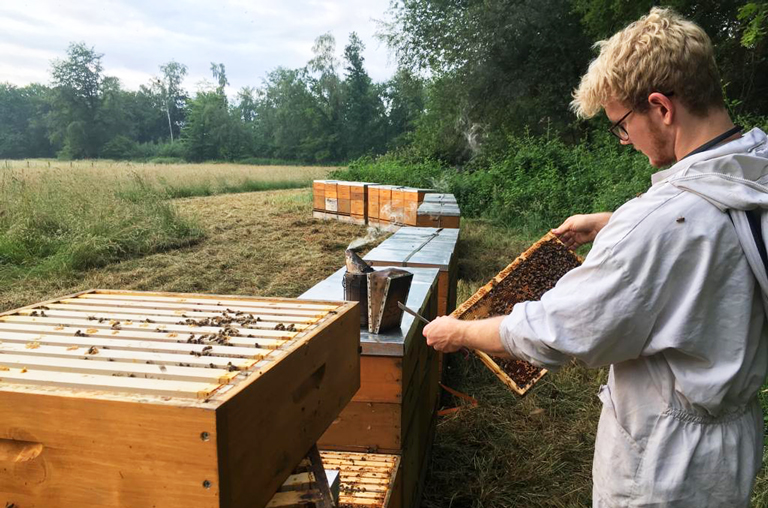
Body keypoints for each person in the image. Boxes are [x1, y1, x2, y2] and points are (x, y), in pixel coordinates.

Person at [423, 7, 768, 507]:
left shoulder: (655, 226)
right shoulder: (753, 172)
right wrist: (609, 221)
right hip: (732, 446)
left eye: (621, 125)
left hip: (664, 465)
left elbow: (557, 331)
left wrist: (458, 332)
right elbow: (719, 227)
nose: (625, 140)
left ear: (662, 108)